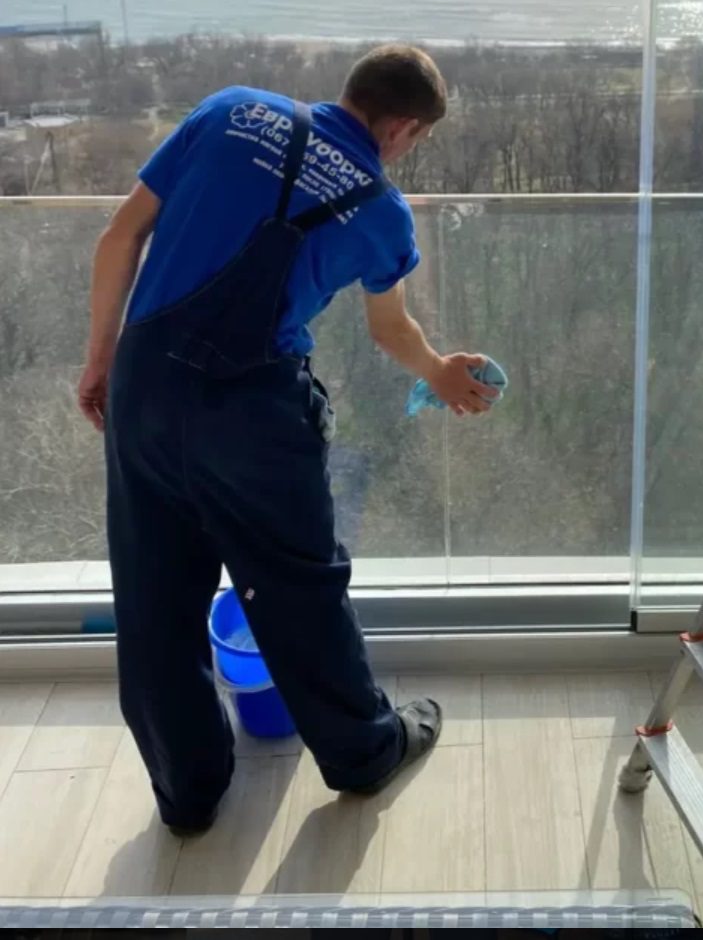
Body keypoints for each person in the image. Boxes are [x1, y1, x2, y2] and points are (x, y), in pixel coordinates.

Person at [77, 44, 498, 832]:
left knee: (154, 596)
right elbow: (390, 329)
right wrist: (440, 371)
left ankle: (188, 793)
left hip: (145, 383)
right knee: (300, 588)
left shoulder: (230, 109)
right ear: (404, 129)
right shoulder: (382, 210)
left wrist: (103, 360)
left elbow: (119, 236)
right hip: (253, 415)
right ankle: (364, 753)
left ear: (352, 90)